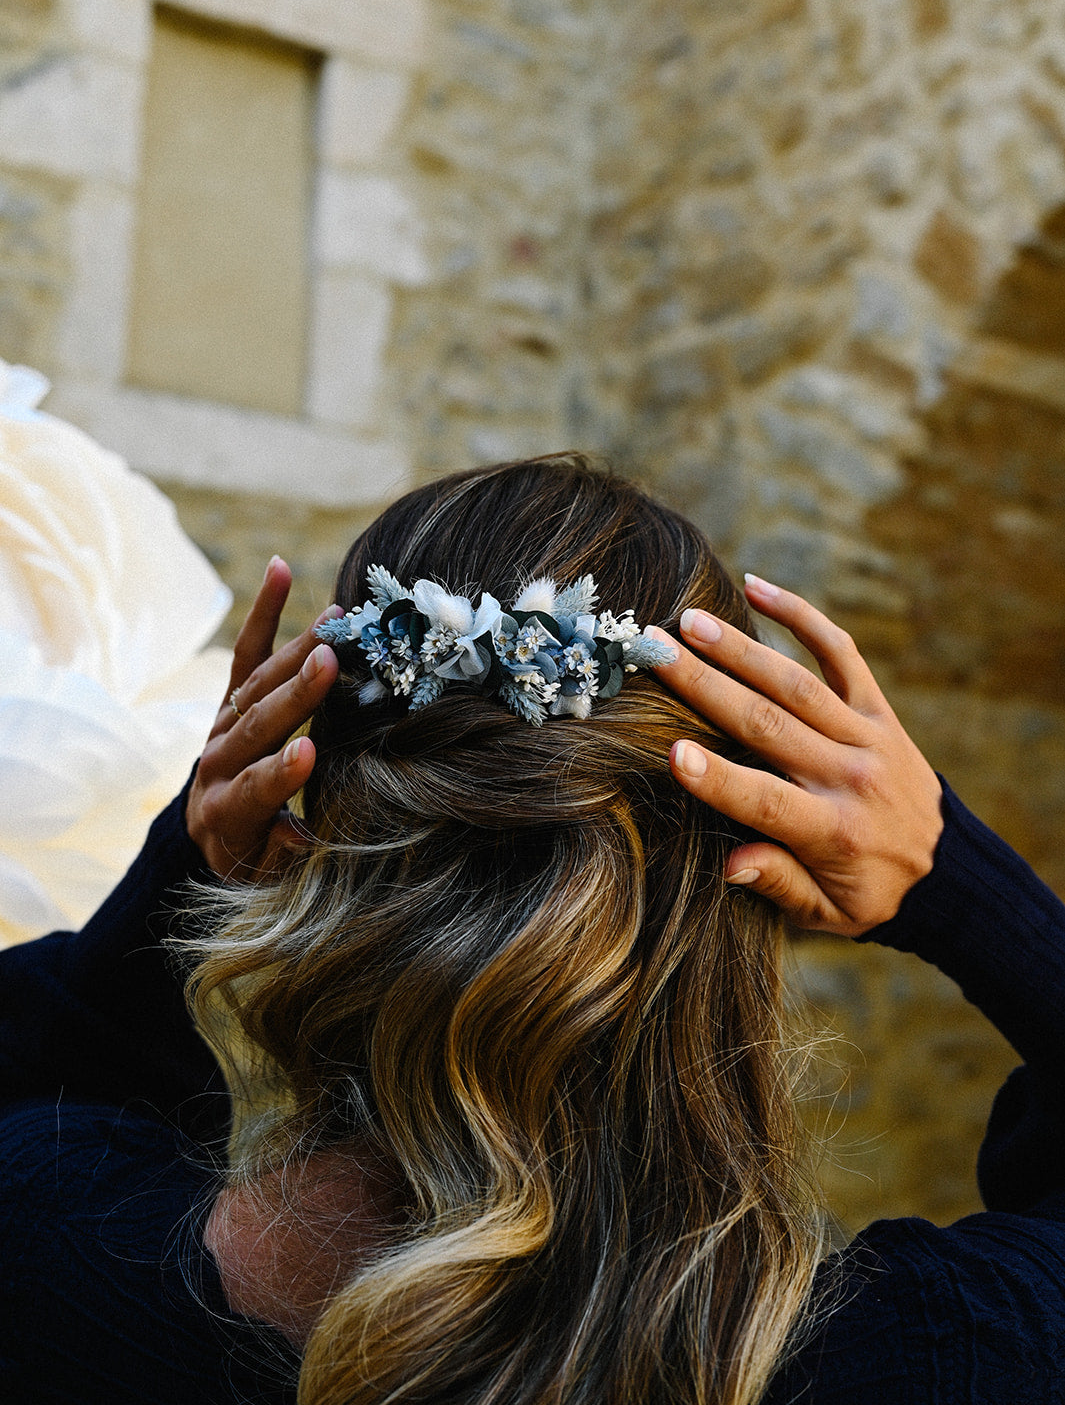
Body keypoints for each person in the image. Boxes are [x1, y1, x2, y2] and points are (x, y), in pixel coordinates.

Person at [0, 454, 1062, 1405]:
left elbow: (44, 1069)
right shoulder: (950, 1354)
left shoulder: (46, 1249)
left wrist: (187, 868)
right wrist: (953, 883)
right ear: (730, 878)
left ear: (313, 799)